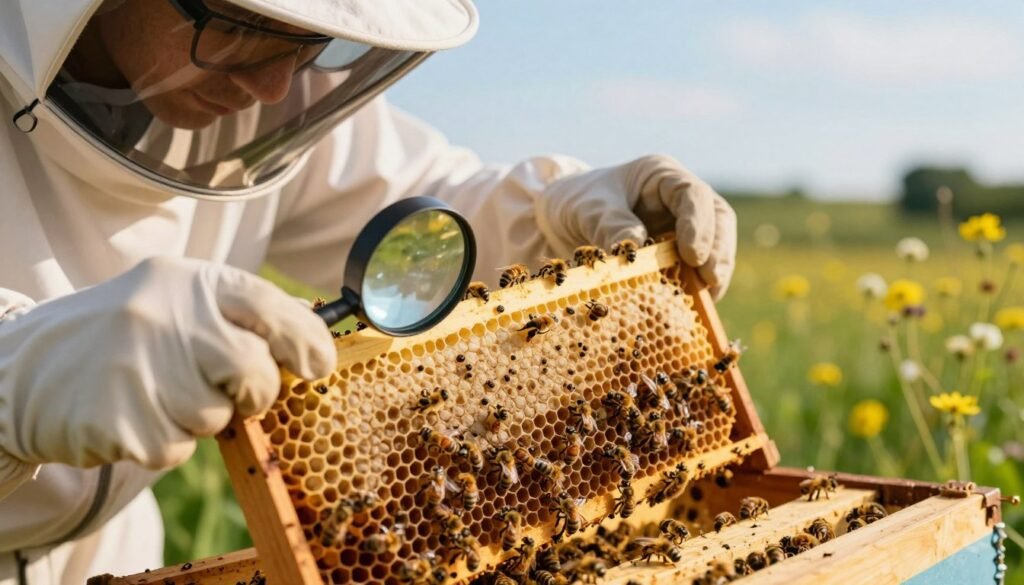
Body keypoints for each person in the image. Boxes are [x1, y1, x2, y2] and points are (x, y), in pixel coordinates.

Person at [0, 0, 736, 582]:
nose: (275, 84)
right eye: (242, 23)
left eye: (314, 41)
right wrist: (14, 384)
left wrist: (551, 212)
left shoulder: (256, 90)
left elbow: (421, 213)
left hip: (108, 558)